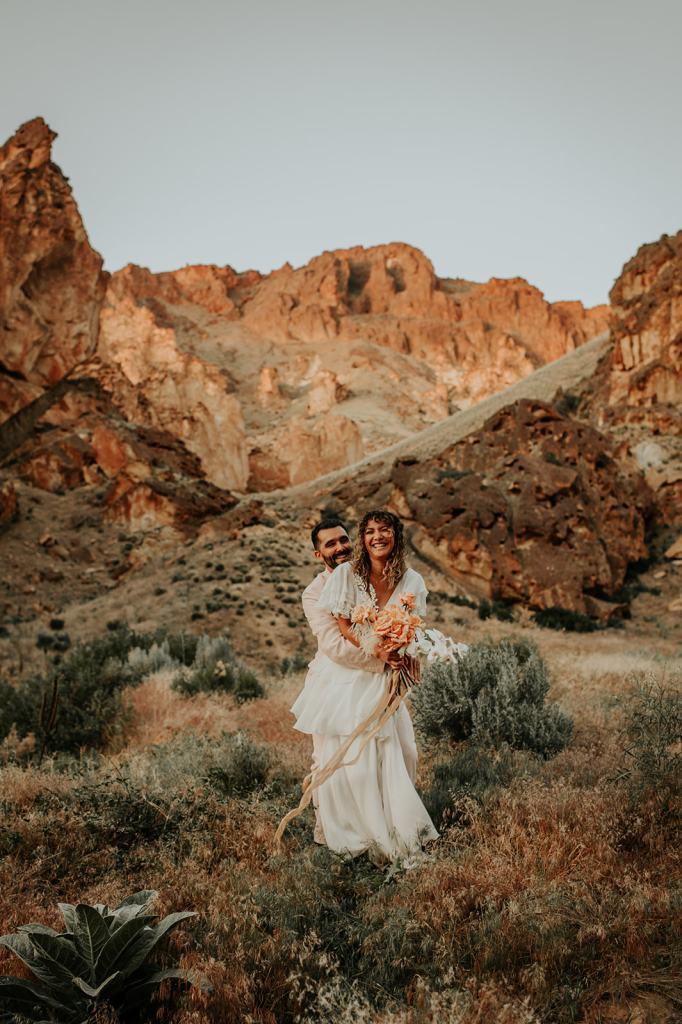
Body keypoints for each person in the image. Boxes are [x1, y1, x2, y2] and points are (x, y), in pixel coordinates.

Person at [291, 509, 437, 862]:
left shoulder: (365, 573)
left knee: (400, 751)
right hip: (337, 680)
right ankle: (338, 833)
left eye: (343, 539)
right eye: (331, 544)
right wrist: (382, 658)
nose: (340, 547)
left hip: (384, 675)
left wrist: (403, 654)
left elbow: (406, 621)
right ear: (318, 553)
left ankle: (391, 821)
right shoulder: (316, 592)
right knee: (335, 760)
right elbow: (335, 644)